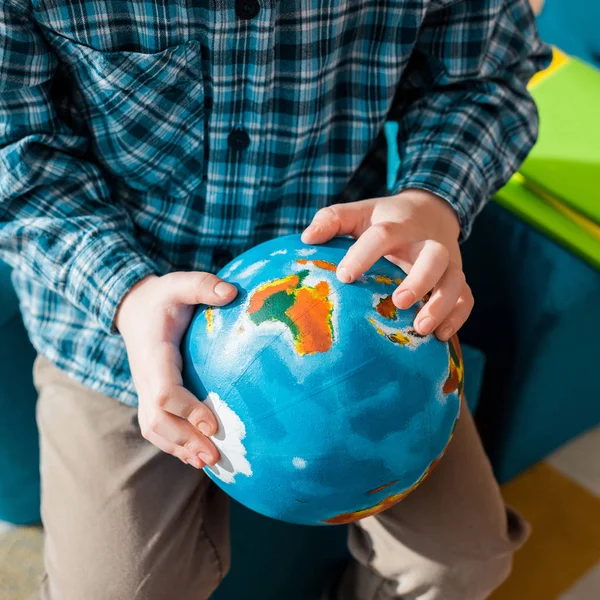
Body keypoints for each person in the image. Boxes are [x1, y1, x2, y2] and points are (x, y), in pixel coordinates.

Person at [0, 1, 550, 599]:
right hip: (110, 325)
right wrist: (125, 292)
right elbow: (13, 150)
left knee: (461, 564)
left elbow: (485, 79)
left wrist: (434, 197)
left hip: (360, 316)